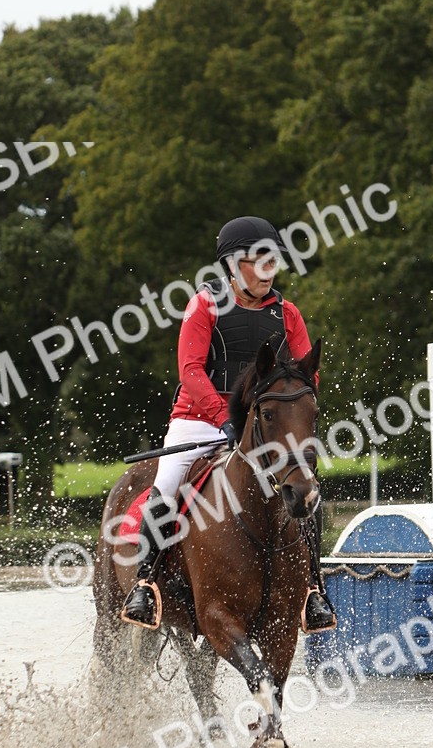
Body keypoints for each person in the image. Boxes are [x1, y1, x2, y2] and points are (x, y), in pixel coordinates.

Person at [121, 215, 336, 632]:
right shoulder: (203, 305)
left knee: (306, 490)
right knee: (166, 485)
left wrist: (278, 407)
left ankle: (314, 591)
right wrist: (225, 420)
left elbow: (309, 375)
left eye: (273, 259)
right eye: (260, 259)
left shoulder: (287, 313)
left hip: (262, 423)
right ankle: (145, 585)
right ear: (234, 265)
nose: (269, 268)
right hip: (199, 420)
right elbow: (190, 371)